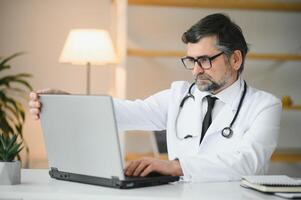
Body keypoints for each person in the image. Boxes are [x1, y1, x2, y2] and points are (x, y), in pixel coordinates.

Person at [29, 13, 282, 182]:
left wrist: (175, 166)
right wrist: (68, 102)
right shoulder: (178, 95)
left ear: (235, 59)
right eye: (191, 61)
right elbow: (121, 112)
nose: (195, 70)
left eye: (204, 60)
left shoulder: (264, 106)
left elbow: (249, 163)